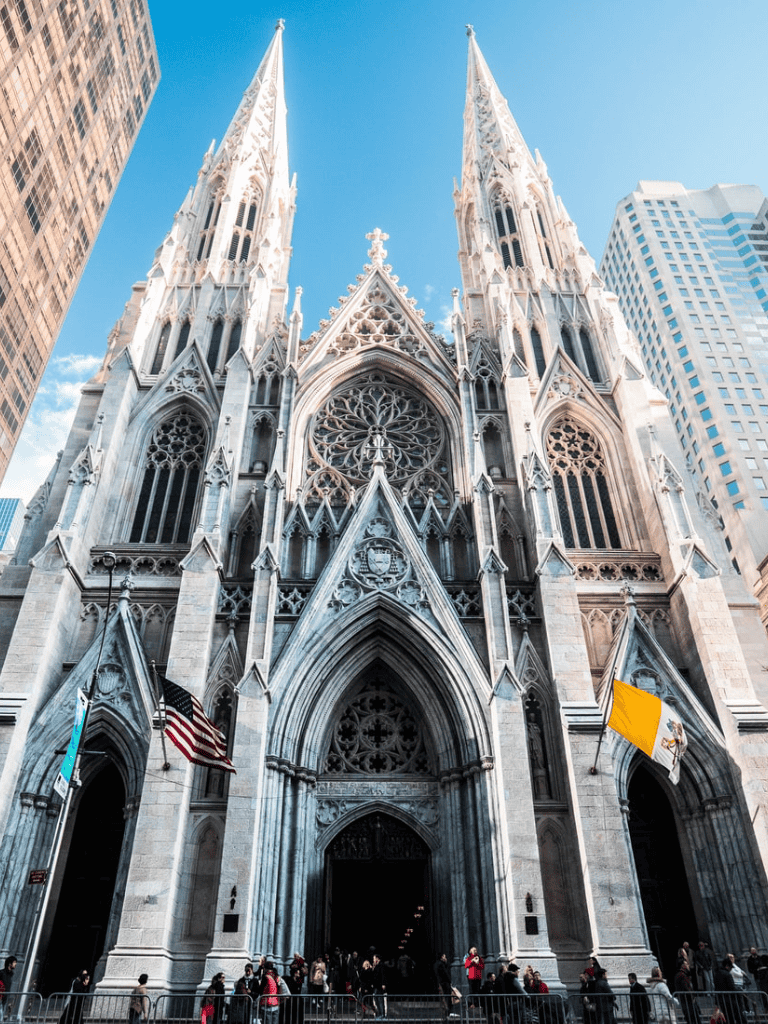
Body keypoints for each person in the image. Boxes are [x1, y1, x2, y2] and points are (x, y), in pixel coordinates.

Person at [434, 954, 454, 1019]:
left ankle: (446, 1011)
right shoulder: (441, 964)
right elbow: (445, 974)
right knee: (447, 997)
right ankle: (447, 1011)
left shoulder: (437, 964)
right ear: (442, 957)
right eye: (445, 957)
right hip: (444, 983)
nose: (446, 958)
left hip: (440, 983)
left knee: (443, 997)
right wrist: (450, 981)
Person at [0, 957, 16, 1023]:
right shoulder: (1, 973)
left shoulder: (11, 974)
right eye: (14, 962)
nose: (16, 964)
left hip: (5, 997)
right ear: (10, 964)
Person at [372, 954, 387, 1020]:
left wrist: (383, 984)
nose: (373, 960)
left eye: (374, 958)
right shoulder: (376, 965)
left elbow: (383, 975)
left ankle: (382, 1014)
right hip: (376, 986)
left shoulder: (381, 965)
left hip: (379, 986)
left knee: (380, 1000)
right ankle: (379, 1013)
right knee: (376, 1000)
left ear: (377, 958)